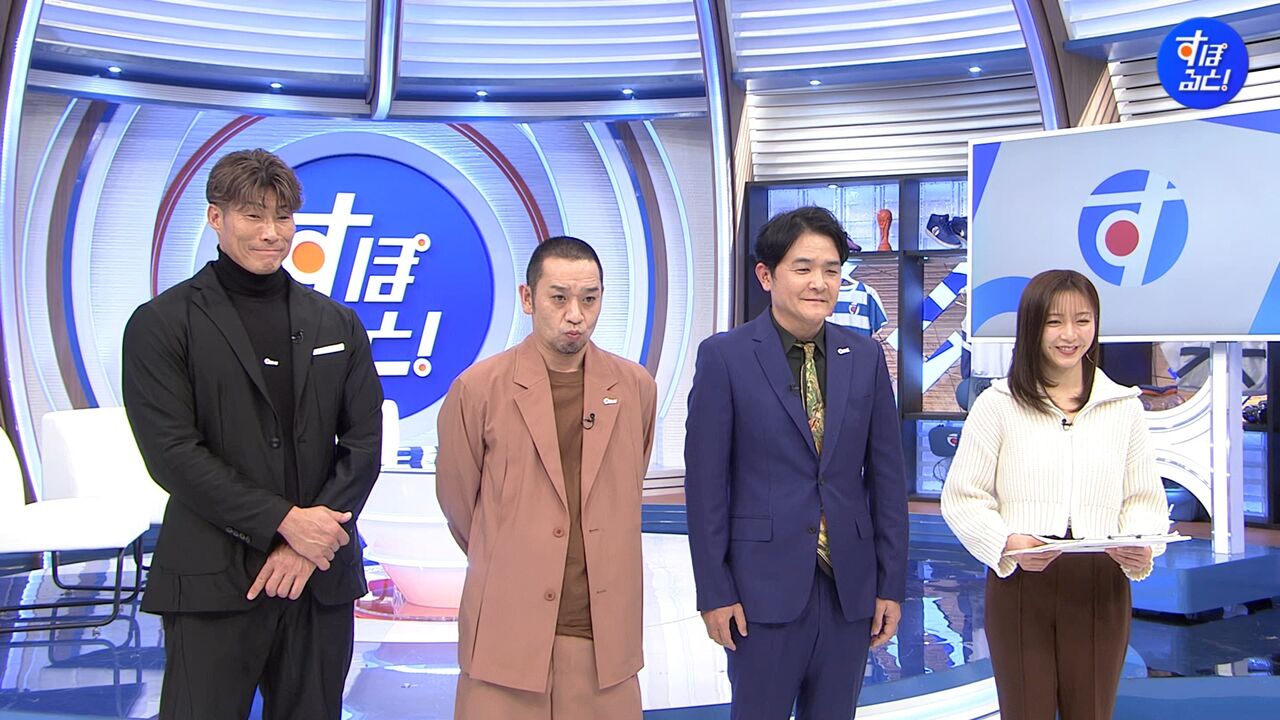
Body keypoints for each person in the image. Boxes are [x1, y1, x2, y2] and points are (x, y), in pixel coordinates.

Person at [122, 148, 384, 719]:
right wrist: (285, 523)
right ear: (216, 218)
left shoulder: (337, 322)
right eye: (253, 215)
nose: (271, 233)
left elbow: (363, 444)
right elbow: (172, 454)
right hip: (212, 578)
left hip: (318, 578)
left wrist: (309, 542)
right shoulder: (162, 323)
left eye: (283, 217)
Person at [684, 206, 909, 720]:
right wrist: (714, 591)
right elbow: (706, 486)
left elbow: (887, 479)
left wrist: (889, 585)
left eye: (831, 270)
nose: (819, 283)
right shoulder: (725, 357)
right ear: (766, 275)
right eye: (803, 268)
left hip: (850, 589)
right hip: (760, 592)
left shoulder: (865, 357)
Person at [436, 236, 657, 720]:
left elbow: (628, 483)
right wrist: (514, 554)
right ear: (528, 298)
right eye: (559, 298)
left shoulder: (635, 387)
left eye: (589, 299)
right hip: (506, 631)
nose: (575, 315)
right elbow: (459, 504)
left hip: (602, 637)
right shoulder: (478, 389)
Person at [940, 269, 1170, 720]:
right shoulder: (998, 405)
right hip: (1023, 581)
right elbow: (963, 497)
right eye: (1054, 322)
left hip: (1100, 581)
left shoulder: (1123, 407)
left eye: (1083, 321)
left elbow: (1143, 497)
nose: (1070, 335)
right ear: (1032, 326)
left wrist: (1141, 544)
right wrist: (1007, 542)